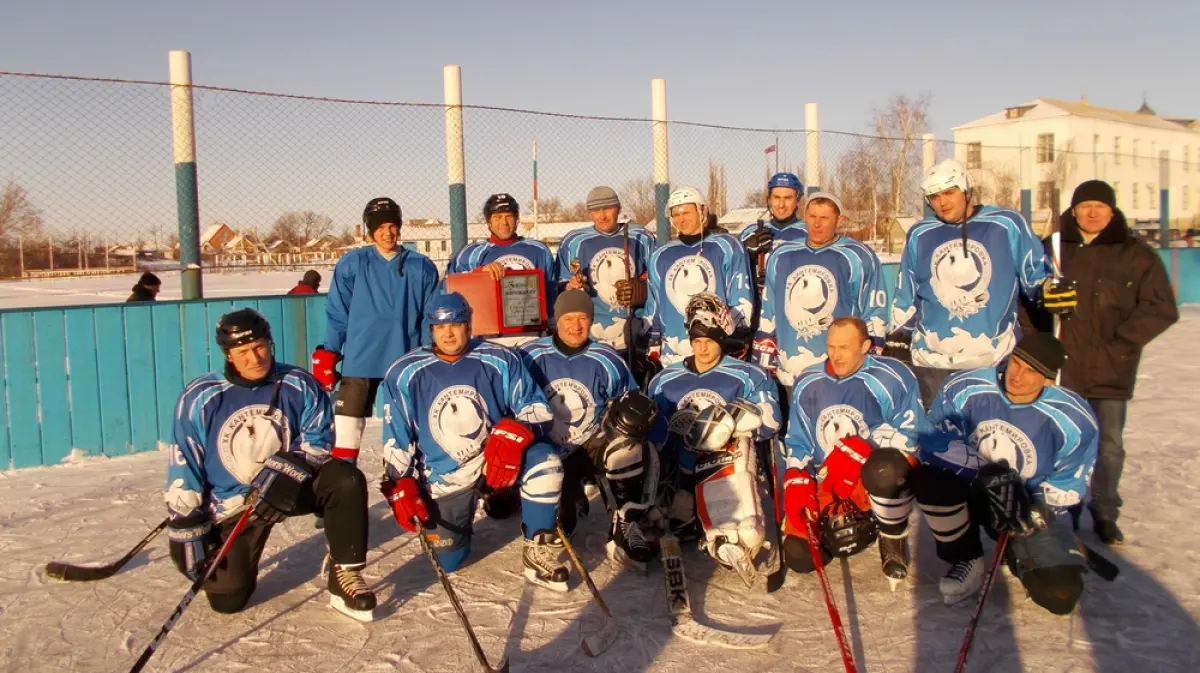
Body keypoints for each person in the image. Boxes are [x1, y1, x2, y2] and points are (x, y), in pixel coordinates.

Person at [165, 308, 376, 621]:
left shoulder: (299, 383)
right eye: (243, 352)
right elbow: (185, 463)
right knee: (228, 600)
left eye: (261, 346)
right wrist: (185, 521)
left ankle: (345, 573)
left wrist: (287, 472)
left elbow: (319, 441)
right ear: (228, 354)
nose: (254, 358)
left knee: (345, 479)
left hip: (289, 488)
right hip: (234, 504)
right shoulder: (200, 397)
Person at [378, 292, 570, 591]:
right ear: (430, 329)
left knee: (545, 461)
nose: (449, 333)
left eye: (456, 324)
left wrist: (515, 432)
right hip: (445, 476)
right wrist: (398, 483)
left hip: (497, 461)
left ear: (469, 325)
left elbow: (538, 408)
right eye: (441, 327)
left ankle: (537, 547)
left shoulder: (501, 359)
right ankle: (473, 512)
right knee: (448, 560)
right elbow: (397, 436)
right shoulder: (403, 372)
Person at [1026, 180, 1178, 544]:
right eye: (1084, 206)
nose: (1092, 213)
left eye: (1100, 206)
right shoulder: (1054, 250)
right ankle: (1056, 505)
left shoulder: (1135, 254)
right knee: (1057, 439)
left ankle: (1105, 510)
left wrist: (1122, 343)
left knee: (1109, 445)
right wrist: (1044, 311)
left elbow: (1161, 308)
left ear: (1112, 211)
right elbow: (1026, 301)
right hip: (1063, 368)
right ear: (1073, 210)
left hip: (1112, 368)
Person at [916, 333, 1098, 613]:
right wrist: (984, 474)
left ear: (1048, 380)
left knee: (1059, 595)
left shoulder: (1074, 417)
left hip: (1024, 504)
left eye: (1031, 371)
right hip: (972, 491)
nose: (1018, 375)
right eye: (1017, 363)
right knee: (930, 481)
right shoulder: (966, 386)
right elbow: (932, 441)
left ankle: (1019, 552)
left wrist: (1032, 507)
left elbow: (1070, 481)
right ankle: (966, 558)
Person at [889, 159, 1077, 408]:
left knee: (987, 439)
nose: (942, 202)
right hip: (931, 360)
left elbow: (1034, 274)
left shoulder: (1006, 223)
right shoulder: (920, 233)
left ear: (966, 190)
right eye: (934, 196)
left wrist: (1048, 289)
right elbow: (907, 291)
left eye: (949, 192)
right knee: (939, 442)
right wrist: (898, 334)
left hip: (991, 358)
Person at [779, 317, 924, 586]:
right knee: (800, 556)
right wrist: (798, 480)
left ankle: (891, 535)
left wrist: (856, 454)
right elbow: (798, 440)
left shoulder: (891, 376)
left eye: (844, 347)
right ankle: (833, 523)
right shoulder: (808, 380)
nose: (836, 355)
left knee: (887, 470)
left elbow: (910, 437)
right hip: (829, 480)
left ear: (866, 346)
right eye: (831, 346)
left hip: (870, 474)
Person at [646, 293, 780, 560]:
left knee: (741, 442)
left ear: (721, 339)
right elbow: (652, 430)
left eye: (709, 341)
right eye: (697, 341)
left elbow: (771, 421)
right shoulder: (664, 380)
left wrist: (733, 421)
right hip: (678, 468)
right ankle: (675, 514)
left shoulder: (749, 376)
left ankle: (738, 528)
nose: (702, 348)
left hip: (724, 466)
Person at [517, 290, 645, 566]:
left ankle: (626, 523)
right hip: (547, 449)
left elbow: (630, 401)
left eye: (583, 318)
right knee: (561, 527)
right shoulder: (529, 355)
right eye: (569, 318)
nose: (576, 326)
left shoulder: (606, 358)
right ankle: (567, 502)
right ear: (557, 319)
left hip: (589, 444)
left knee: (628, 447)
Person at [312, 197, 440, 470]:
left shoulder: (421, 266)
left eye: (393, 225)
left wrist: (431, 353)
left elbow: (430, 315)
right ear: (370, 231)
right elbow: (338, 312)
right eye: (380, 227)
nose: (388, 232)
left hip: (405, 358)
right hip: (360, 359)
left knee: (404, 430)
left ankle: (405, 487)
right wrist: (330, 351)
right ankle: (341, 490)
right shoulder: (353, 263)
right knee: (347, 430)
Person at [755, 192, 888, 392]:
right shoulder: (782, 255)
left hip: (839, 375)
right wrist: (764, 362)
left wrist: (872, 360)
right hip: (789, 373)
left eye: (824, 218)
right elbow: (769, 311)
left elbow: (875, 311)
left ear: (839, 219)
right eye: (812, 217)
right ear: (805, 216)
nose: (817, 224)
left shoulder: (859, 256)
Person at [645, 187, 754, 367]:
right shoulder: (660, 254)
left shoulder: (727, 246)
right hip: (674, 356)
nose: (681, 218)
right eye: (676, 214)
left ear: (702, 211)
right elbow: (655, 303)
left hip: (718, 352)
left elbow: (740, 295)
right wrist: (652, 339)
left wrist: (736, 335)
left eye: (687, 212)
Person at [555, 186, 657, 354]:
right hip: (592, 329)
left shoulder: (641, 236)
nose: (602, 215)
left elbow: (657, 278)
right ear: (589, 213)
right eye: (596, 210)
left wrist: (642, 287)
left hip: (633, 324)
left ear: (619, 209)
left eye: (608, 208)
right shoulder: (574, 240)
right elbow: (560, 282)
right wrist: (570, 287)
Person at [447, 192, 558, 307]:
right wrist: (480, 273)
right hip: (488, 321)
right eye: (498, 217)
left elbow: (551, 290)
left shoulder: (539, 250)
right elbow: (452, 287)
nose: (504, 222)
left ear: (516, 219)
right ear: (489, 221)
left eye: (508, 216)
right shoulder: (471, 253)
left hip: (530, 319)